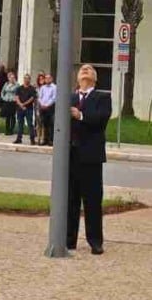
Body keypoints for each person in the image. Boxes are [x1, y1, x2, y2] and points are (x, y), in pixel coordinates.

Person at [67, 65, 112, 254]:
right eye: (82, 69)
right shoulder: (69, 98)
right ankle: (69, 240)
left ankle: (95, 241)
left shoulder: (102, 97)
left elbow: (101, 119)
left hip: (91, 156)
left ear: (95, 78)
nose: (85, 69)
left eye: (89, 69)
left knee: (92, 201)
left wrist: (81, 115)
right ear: (77, 78)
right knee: (70, 199)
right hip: (71, 155)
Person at [13, 74, 37, 145]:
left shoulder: (32, 88)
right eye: (25, 78)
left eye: (28, 79)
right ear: (23, 79)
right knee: (20, 124)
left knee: (30, 124)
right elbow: (16, 97)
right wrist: (21, 105)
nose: (26, 80)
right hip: (20, 109)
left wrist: (24, 104)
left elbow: (32, 98)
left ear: (30, 79)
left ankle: (32, 139)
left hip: (28, 108)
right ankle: (19, 139)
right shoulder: (19, 88)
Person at [37, 73, 57, 146]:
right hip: (43, 108)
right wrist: (42, 104)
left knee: (51, 124)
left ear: (51, 79)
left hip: (51, 108)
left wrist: (47, 105)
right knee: (44, 124)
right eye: (46, 78)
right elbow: (39, 97)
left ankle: (51, 140)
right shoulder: (42, 87)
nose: (47, 79)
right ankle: (44, 139)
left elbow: (54, 98)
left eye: (49, 78)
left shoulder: (54, 87)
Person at [0, 71, 19, 137]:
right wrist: (3, 97)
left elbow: (18, 93)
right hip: (6, 101)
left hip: (13, 101)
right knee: (7, 116)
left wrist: (16, 99)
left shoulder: (17, 84)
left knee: (12, 116)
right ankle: (7, 129)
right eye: (10, 77)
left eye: (13, 77)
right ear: (8, 78)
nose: (11, 79)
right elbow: (2, 91)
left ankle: (11, 129)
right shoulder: (6, 84)